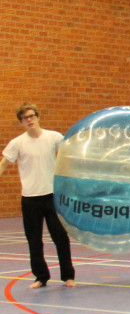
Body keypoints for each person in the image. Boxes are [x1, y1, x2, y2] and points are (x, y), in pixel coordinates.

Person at [1, 103, 75, 288]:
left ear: (38, 116)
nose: (29, 120)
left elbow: (71, 152)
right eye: (25, 118)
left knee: (60, 237)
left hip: (52, 196)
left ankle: (68, 275)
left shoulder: (54, 137)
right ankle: (41, 277)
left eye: (32, 116)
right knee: (34, 240)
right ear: (21, 122)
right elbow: (3, 163)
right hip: (30, 199)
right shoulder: (17, 143)